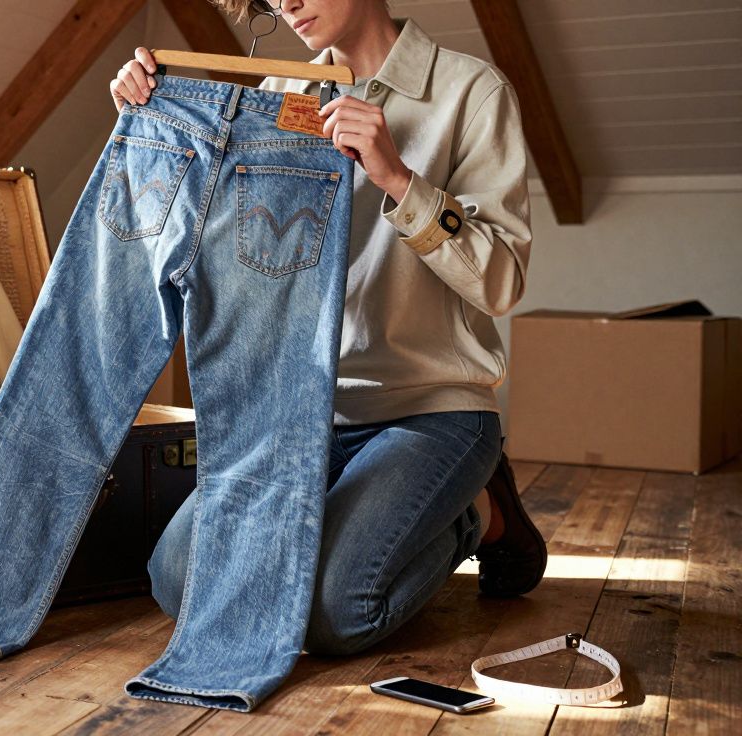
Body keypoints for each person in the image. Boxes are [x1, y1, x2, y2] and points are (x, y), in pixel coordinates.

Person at [109, 0, 546, 656]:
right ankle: (367, 511)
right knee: (178, 580)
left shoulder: (471, 92)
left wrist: (398, 179)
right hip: (300, 414)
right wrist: (151, 131)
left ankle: (479, 513)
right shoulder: (278, 96)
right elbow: (212, 252)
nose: (286, 2)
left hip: (429, 412)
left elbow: (502, 281)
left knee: (335, 614)